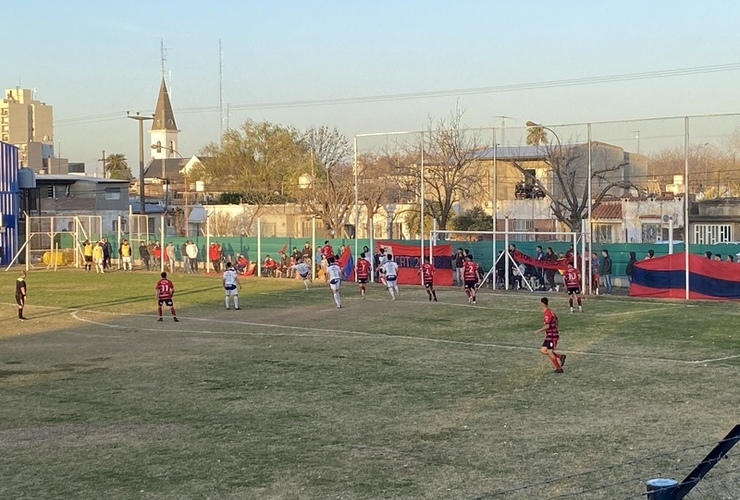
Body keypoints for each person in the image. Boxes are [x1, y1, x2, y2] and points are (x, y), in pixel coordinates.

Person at [534, 297, 565, 373]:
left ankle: (559, 368)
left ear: (542, 304)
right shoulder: (551, 311)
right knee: (543, 350)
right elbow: (557, 320)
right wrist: (556, 326)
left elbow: (547, 326)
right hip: (549, 335)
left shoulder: (547, 314)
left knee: (550, 352)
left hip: (552, 336)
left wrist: (538, 331)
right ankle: (560, 356)